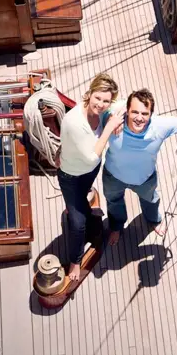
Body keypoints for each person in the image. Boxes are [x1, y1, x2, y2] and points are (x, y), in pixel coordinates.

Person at [102, 88, 177, 245]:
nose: (139, 118)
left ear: (151, 114)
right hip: (113, 177)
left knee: (151, 201)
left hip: (145, 178)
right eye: (134, 112)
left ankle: (154, 220)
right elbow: (96, 111)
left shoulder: (161, 126)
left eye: (145, 114)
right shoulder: (112, 121)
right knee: (113, 202)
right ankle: (116, 227)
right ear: (127, 111)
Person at [58, 73, 125, 280]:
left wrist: (116, 113)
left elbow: (123, 103)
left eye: (106, 101)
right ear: (89, 93)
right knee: (77, 223)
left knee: (83, 203)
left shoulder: (104, 109)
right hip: (71, 176)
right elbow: (89, 157)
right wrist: (109, 128)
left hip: (90, 171)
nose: (101, 105)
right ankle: (75, 261)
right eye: (98, 98)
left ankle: (86, 201)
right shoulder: (74, 122)